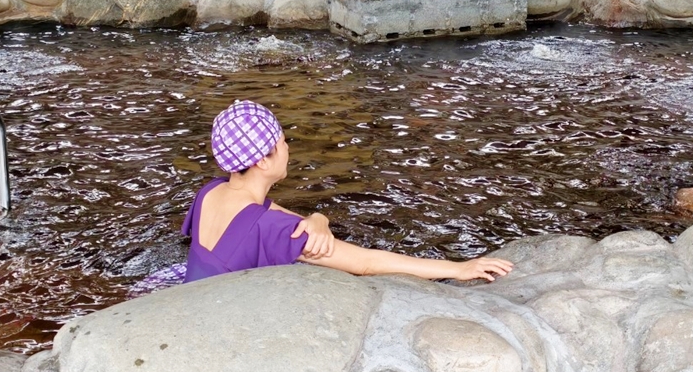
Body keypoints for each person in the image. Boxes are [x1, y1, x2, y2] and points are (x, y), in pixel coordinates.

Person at [181, 100, 514, 284]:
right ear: (264, 161)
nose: (287, 147)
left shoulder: (209, 193)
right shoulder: (268, 230)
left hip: (190, 296)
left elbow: (276, 216)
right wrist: (457, 268)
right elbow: (366, 263)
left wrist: (318, 218)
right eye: (282, 142)